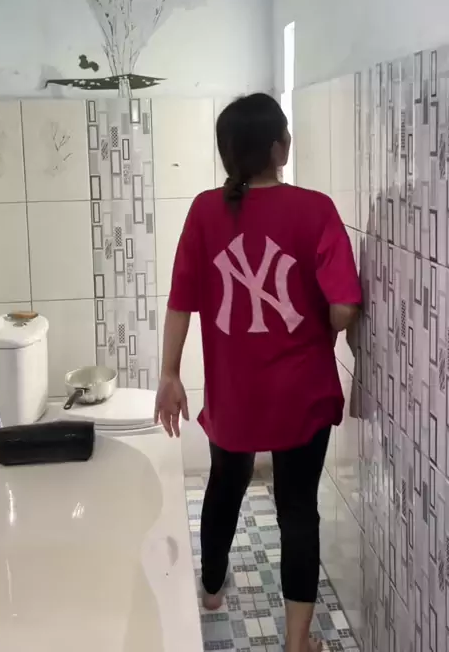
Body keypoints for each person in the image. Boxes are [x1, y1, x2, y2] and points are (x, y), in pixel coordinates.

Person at [154, 93, 361, 652]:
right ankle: (297, 642)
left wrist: (170, 373)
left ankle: (212, 590)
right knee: (298, 511)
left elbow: (181, 301)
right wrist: (323, 328)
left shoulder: (204, 211)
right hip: (301, 394)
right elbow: (344, 308)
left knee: (227, 483)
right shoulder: (315, 209)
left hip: (235, 394)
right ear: (277, 148)